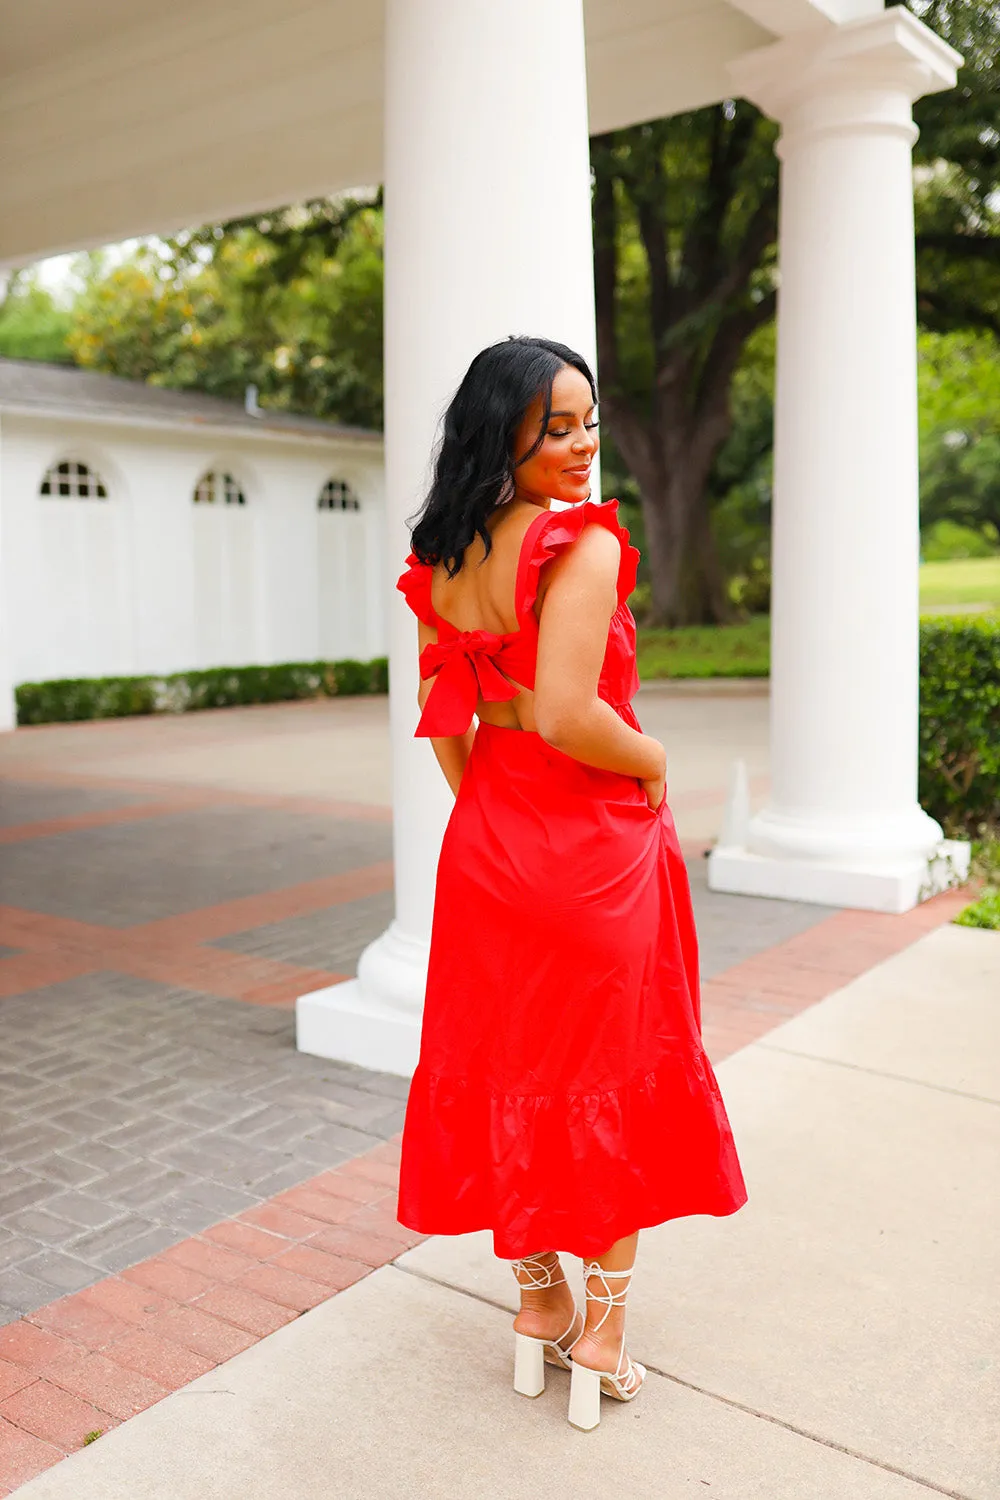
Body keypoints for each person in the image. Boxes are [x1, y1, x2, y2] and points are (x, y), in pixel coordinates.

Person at [395, 335, 747, 1430]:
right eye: (557, 426)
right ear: (500, 431)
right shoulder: (580, 545)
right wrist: (653, 763)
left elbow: (449, 731)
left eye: (588, 420)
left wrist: (496, 816)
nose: (583, 443)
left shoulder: (443, 555)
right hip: (590, 851)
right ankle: (599, 1333)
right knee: (609, 1081)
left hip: (490, 848)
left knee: (512, 1073)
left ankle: (536, 1302)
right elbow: (567, 715)